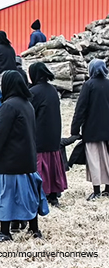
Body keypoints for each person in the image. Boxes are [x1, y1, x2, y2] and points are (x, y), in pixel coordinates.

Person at [0, 70, 49, 242]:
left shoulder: (8, 106)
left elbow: (0, 133)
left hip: (10, 161)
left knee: (7, 196)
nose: (0, 87)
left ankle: (5, 233)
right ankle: (34, 229)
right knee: (29, 195)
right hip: (27, 159)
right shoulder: (27, 104)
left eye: (1, 83)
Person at [29, 62, 67, 207]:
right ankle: (53, 195)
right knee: (53, 165)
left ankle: (41, 194)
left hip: (40, 134)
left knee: (41, 166)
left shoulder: (34, 92)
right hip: (54, 133)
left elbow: (30, 113)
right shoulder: (52, 90)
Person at [70, 59, 109, 201]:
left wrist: (74, 129)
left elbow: (81, 109)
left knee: (95, 161)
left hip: (92, 130)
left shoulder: (89, 85)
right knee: (107, 160)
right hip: (107, 130)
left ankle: (97, 191)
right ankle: (108, 189)